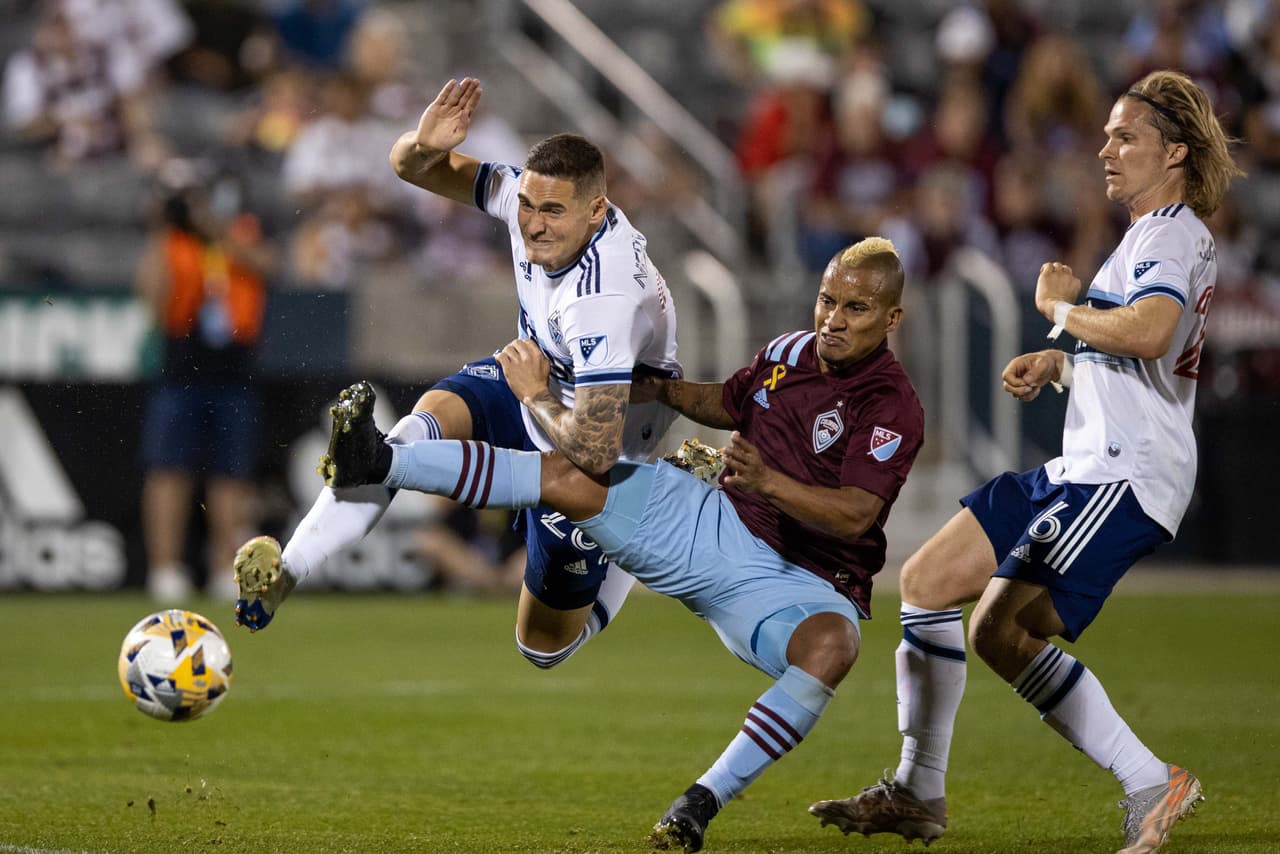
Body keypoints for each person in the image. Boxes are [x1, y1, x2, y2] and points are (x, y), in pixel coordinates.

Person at [313, 237, 923, 851]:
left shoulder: (891, 404)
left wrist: (770, 480)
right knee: (565, 477)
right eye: (826, 300)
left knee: (833, 646)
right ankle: (379, 460)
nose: (832, 319)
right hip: (710, 522)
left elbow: (855, 514)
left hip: (797, 585)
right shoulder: (790, 351)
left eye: (855, 309)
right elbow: (728, 401)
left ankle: (697, 805)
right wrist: (661, 390)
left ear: (891, 318)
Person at [808, 70, 1243, 854]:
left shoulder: (1175, 232)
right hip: (1084, 463)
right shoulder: (1144, 237)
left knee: (1001, 628)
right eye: (1107, 133)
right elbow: (1140, 356)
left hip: (1123, 473)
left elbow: (1148, 332)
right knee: (930, 583)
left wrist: (1057, 313)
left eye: (1126, 137)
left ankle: (1149, 780)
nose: (1106, 149)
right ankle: (917, 790)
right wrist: (1062, 362)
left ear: (1174, 152)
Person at [233, 78, 681, 676]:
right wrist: (423, 144)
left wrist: (535, 393)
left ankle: (651, 507)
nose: (534, 225)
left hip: (605, 440)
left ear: (596, 210)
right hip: (536, 374)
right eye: (528, 205)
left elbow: (596, 448)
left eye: (553, 211)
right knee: (417, 429)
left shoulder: (602, 296)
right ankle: (288, 570)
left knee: (542, 648)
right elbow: (409, 167)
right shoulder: (519, 196)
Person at [136, 159, 272, 601]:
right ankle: (164, 570)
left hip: (234, 369)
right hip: (181, 366)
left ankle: (224, 567)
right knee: (168, 471)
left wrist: (216, 230)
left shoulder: (239, 233)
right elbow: (152, 305)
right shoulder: (171, 244)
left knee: (230, 474)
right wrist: (163, 230)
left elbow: (270, 266)